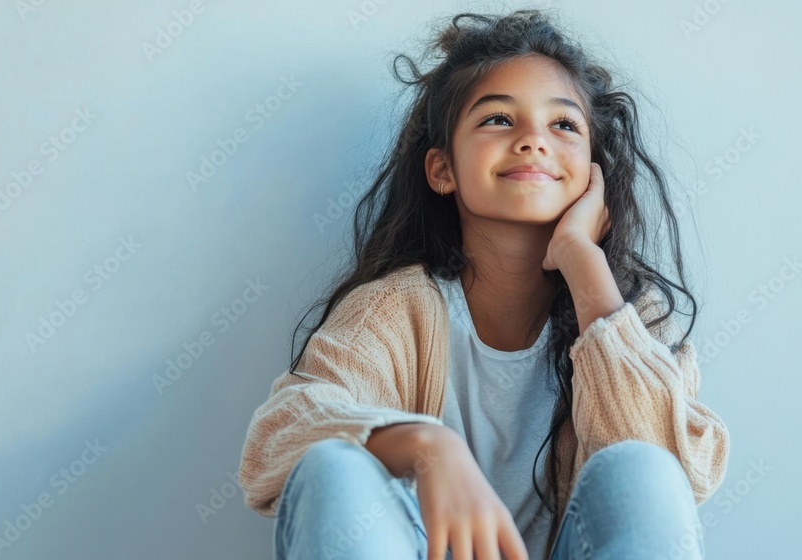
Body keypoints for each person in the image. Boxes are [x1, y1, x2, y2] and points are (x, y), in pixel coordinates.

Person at [238, 8, 730, 560]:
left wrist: (581, 260)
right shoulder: (393, 312)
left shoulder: (634, 316)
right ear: (442, 170)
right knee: (333, 464)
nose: (532, 140)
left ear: (595, 173)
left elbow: (671, 479)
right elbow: (278, 434)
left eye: (564, 125)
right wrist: (424, 446)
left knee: (643, 468)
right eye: (499, 119)